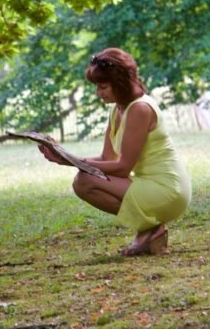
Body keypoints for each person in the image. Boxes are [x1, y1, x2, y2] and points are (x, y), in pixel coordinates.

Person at [38, 48, 192, 256]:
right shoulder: (117, 109)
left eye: (103, 87)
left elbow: (122, 168)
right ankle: (149, 231)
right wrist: (63, 155)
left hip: (168, 189)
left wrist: (71, 160)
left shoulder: (140, 109)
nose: (98, 93)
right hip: (147, 183)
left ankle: (150, 230)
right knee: (83, 181)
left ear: (120, 83)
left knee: (85, 181)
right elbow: (107, 159)